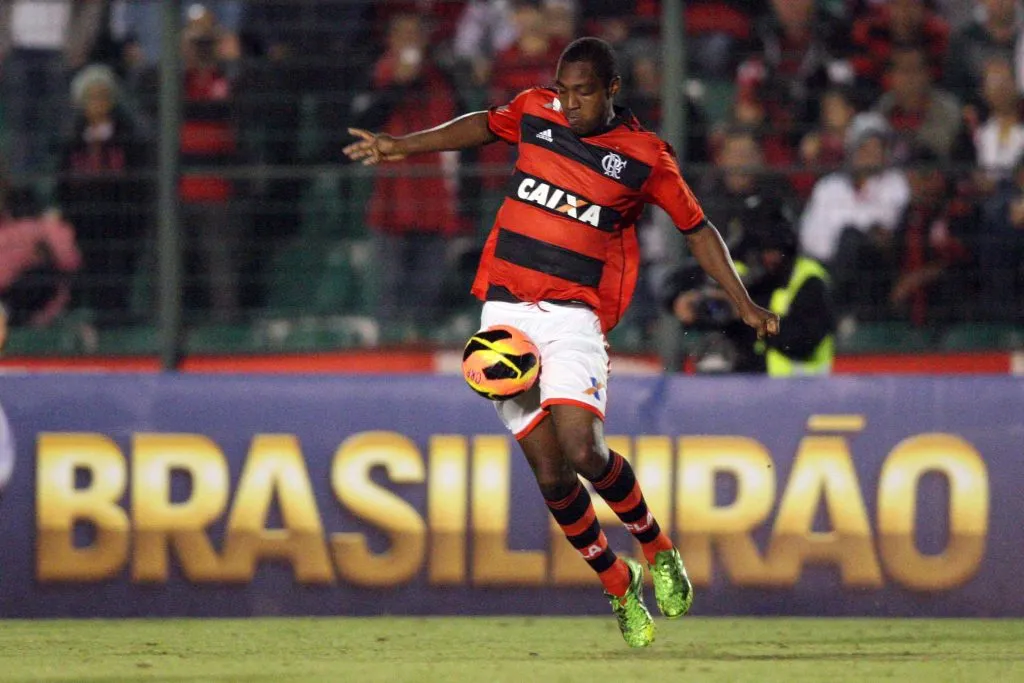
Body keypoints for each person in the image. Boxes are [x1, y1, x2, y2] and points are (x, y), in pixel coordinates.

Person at [345, 37, 779, 648]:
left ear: (612, 91)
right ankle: (614, 578)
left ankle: (655, 546)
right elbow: (483, 127)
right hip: (504, 313)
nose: (569, 103)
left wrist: (744, 304)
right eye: (563, 90)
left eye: (583, 92)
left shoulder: (645, 157)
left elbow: (698, 230)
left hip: (573, 314)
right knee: (550, 472)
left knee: (583, 449)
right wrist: (402, 146)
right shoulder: (534, 110)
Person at [668, 213, 835, 376]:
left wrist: (744, 312)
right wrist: (688, 299)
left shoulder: (809, 281)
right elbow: (677, 285)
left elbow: (803, 342)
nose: (768, 258)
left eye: (774, 250)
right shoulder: (752, 275)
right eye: (763, 250)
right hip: (750, 384)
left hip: (799, 389)